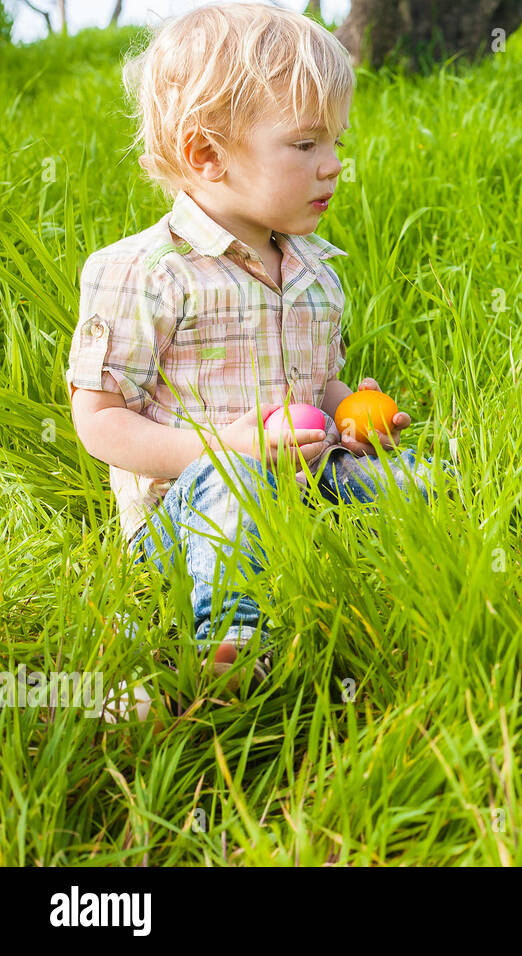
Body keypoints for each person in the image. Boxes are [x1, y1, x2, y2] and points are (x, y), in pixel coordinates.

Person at [66, 3, 452, 705]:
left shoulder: (314, 269)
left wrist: (352, 415)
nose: (335, 166)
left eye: (335, 141)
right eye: (305, 145)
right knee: (242, 486)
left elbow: (322, 382)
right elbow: (100, 423)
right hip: (190, 511)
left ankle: (443, 563)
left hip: (308, 479)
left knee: (428, 485)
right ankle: (231, 646)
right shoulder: (145, 272)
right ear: (205, 155)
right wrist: (223, 451)